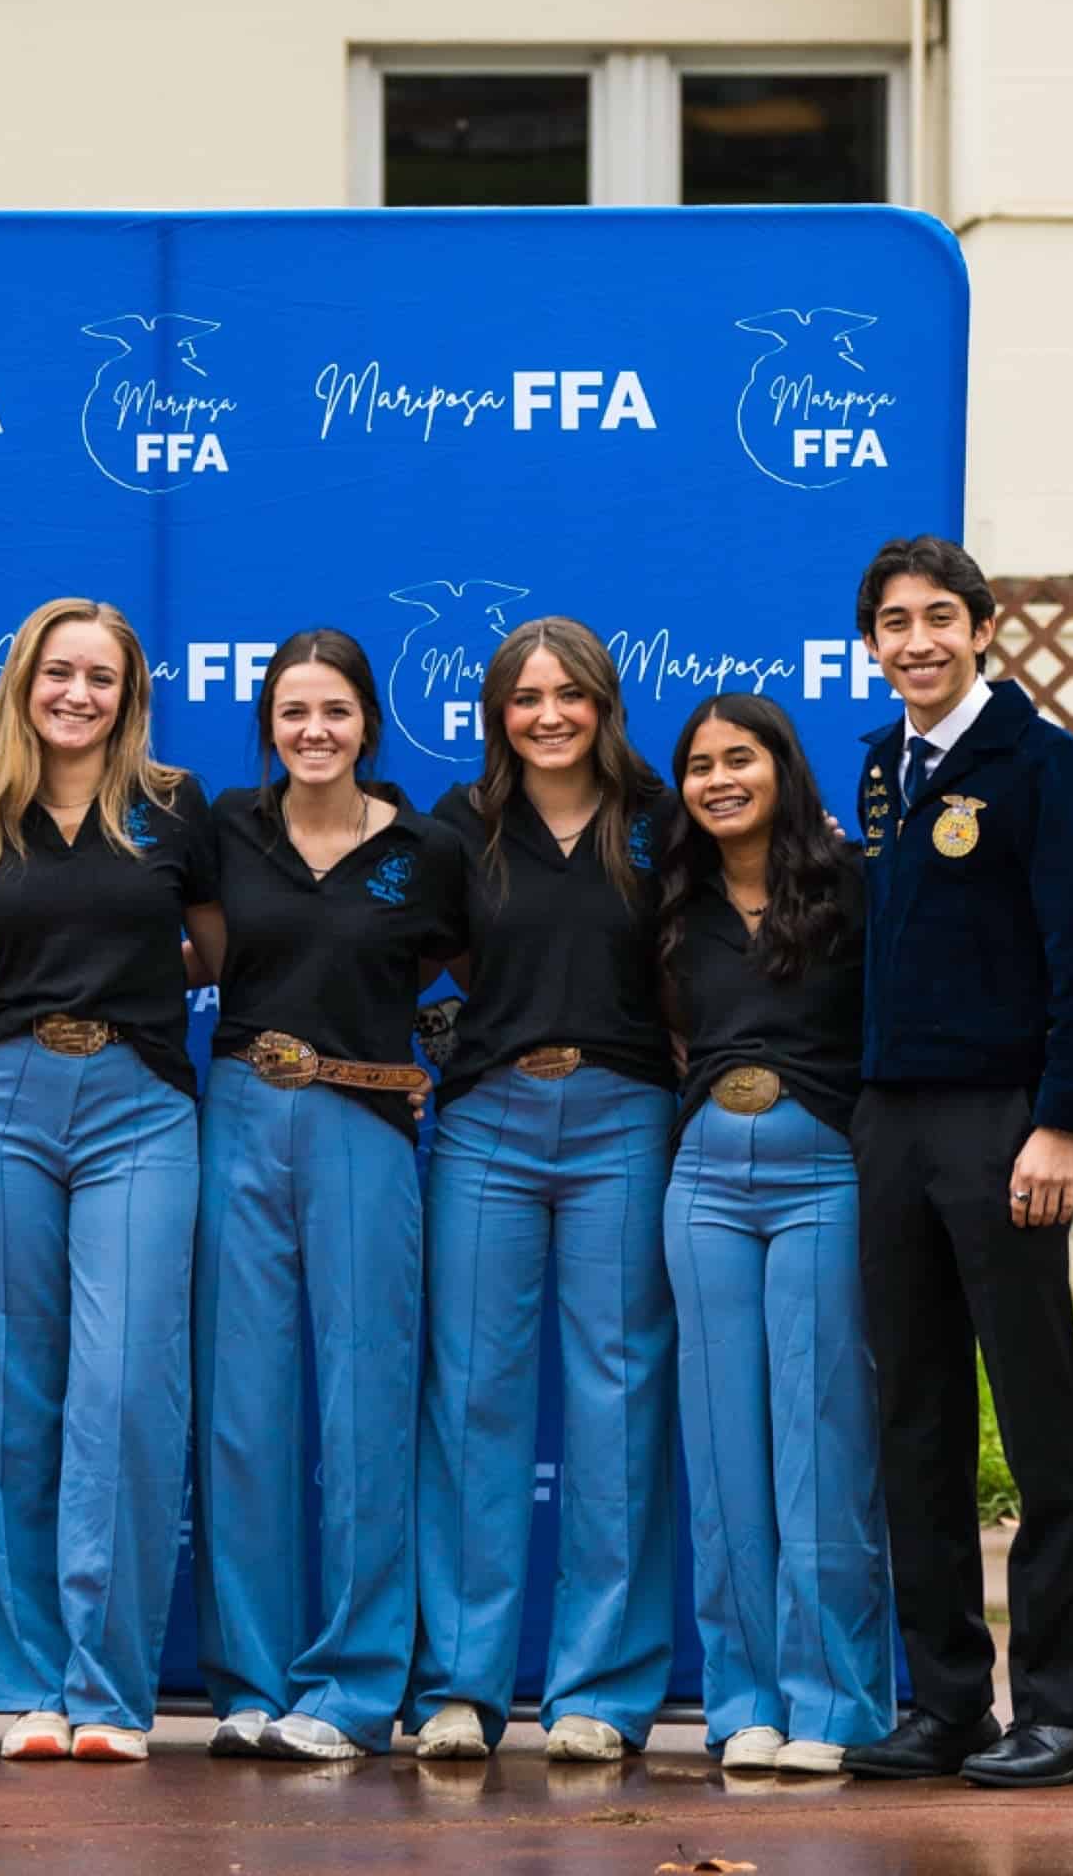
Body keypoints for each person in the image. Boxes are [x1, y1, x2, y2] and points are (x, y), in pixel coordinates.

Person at [841, 536, 1073, 1790]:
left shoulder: (1044, 766)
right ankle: (949, 1700)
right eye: (893, 623)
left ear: (984, 625)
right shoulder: (883, 768)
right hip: (890, 1123)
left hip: (1004, 1123)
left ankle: (1063, 1709)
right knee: (915, 1417)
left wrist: (1063, 1121)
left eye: (937, 619)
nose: (915, 641)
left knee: (1037, 1419)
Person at [0, 596, 224, 1763]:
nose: (76, 693)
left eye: (100, 677)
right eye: (57, 672)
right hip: (5, 1100)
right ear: (25, 684)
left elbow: (214, 950)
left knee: (121, 1391)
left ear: (130, 694)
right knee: (11, 1396)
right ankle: (24, 1686)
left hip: (138, 1105)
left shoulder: (173, 805)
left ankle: (107, 1692)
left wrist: (128, 976)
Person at [408, 615, 679, 1764]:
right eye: (526, 697)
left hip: (625, 1116)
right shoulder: (457, 826)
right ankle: (462, 1687)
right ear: (497, 713)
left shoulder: (664, 820)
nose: (550, 714)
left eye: (571, 694)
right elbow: (415, 954)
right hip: (488, 1122)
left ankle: (600, 1694)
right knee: (474, 1399)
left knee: (618, 1401)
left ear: (606, 705)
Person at [186, 629, 461, 1761]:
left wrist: (419, 1068)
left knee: (365, 1409)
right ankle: (249, 1683)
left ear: (368, 725)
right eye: (293, 712)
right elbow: (191, 957)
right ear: (267, 725)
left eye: (335, 711)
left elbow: (499, 977)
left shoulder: (428, 850)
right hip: (240, 1114)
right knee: (243, 1414)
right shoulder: (221, 833)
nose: (314, 731)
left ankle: (350, 1689)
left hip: (364, 1131)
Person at [657, 693, 894, 1776]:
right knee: (723, 1455)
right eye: (699, 765)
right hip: (702, 1179)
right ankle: (742, 1702)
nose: (718, 780)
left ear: (781, 767)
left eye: (738, 759)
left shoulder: (850, 886)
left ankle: (835, 1704)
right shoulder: (670, 899)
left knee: (820, 1442)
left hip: (823, 1178)